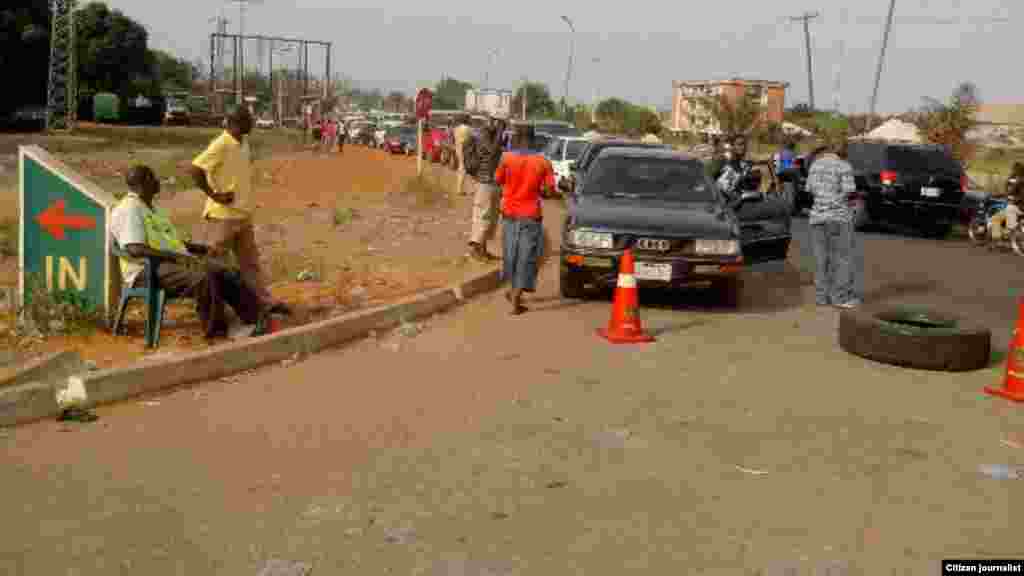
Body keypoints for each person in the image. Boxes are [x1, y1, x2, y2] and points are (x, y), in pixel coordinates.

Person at [111, 166, 266, 339]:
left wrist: (200, 248)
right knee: (203, 278)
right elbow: (135, 249)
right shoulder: (129, 209)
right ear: (141, 185)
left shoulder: (152, 209)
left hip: (169, 263)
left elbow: (172, 243)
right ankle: (217, 333)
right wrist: (177, 257)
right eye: (152, 179)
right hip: (146, 270)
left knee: (225, 270)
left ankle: (255, 319)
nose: (157, 182)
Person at [190, 107, 291, 317]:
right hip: (222, 217)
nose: (252, 124)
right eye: (248, 121)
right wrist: (214, 195)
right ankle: (213, 309)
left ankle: (262, 303)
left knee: (250, 264)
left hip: (243, 215)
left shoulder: (243, 142)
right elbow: (196, 169)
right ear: (236, 122)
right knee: (215, 265)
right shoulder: (221, 144)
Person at [495, 124, 554, 315]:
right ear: (533, 138)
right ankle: (516, 297)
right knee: (527, 257)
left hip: (509, 213)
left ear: (517, 138)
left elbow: (498, 179)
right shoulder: (543, 162)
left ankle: (513, 291)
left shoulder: (506, 158)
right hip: (530, 214)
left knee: (510, 254)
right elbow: (549, 191)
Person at [806, 138, 860, 309]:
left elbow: (810, 189)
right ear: (843, 150)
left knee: (821, 258)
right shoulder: (844, 166)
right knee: (843, 257)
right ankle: (841, 297)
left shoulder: (815, 165)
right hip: (839, 217)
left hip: (817, 217)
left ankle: (821, 297)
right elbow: (849, 192)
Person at [467, 119, 504, 262]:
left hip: (492, 182)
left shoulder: (492, 137)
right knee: (483, 216)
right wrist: (500, 131)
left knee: (491, 218)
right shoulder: (484, 137)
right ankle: (475, 251)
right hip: (485, 182)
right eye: (496, 122)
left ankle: (483, 250)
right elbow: (492, 153)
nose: (498, 125)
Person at [990, 162, 1024, 240]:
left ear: (1016, 171)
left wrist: (997, 195)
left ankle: (998, 240)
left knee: (995, 219)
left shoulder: (1019, 181)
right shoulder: (1018, 180)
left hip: (1019, 207)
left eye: (1013, 170)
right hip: (1020, 206)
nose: (1012, 171)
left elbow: (1009, 192)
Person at [453, 117, 474, 196]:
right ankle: (461, 189)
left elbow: (454, 139)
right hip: (466, 150)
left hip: (458, 149)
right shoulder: (468, 129)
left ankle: (465, 189)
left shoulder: (456, 129)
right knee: (466, 169)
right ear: (467, 120)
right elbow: (472, 138)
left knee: (462, 168)